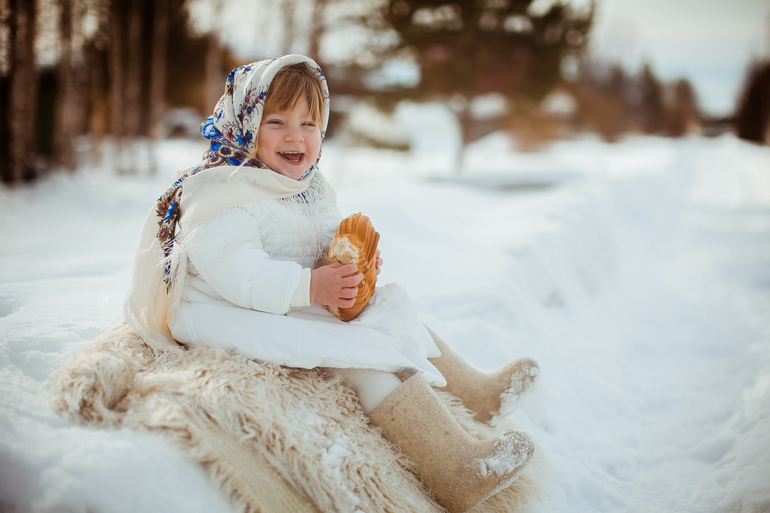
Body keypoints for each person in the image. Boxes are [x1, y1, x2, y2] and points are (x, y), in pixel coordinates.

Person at [124, 54, 539, 513]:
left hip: (295, 292)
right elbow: (240, 275)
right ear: (245, 123)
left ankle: (477, 394)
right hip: (231, 310)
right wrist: (310, 288)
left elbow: (325, 234)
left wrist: (352, 262)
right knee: (364, 363)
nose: (295, 137)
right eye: (276, 121)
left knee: (386, 314)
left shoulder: (307, 184)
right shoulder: (225, 193)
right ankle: (454, 471)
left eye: (309, 124)